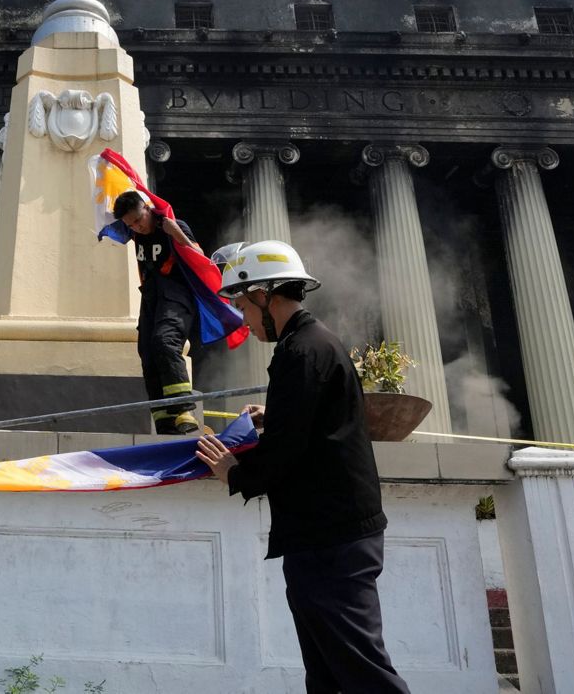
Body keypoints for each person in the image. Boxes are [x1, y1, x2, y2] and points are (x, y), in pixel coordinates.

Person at [195, 240, 410, 694]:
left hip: (330, 539)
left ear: (264, 294)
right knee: (329, 674)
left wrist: (234, 472)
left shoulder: (300, 352)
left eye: (242, 302)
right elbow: (319, 424)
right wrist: (274, 416)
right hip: (331, 533)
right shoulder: (315, 343)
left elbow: (289, 448)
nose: (243, 318)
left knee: (363, 673)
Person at [113, 189, 203, 434]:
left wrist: (177, 235)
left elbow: (201, 258)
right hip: (151, 296)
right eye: (130, 224)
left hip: (176, 294)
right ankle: (163, 419)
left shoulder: (172, 225)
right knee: (148, 352)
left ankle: (184, 409)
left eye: (138, 219)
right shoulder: (134, 232)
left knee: (165, 341)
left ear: (147, 208)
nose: (137, 227)